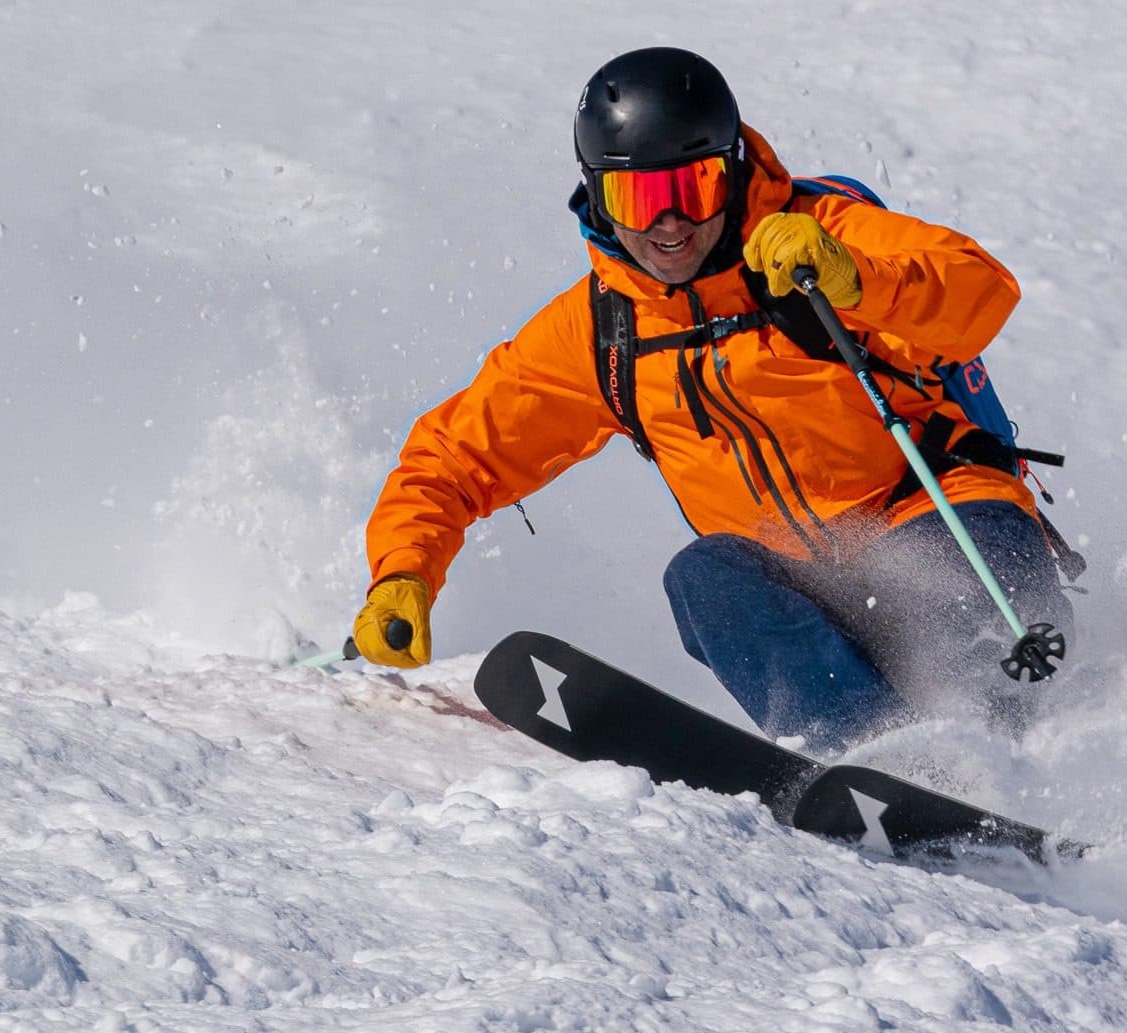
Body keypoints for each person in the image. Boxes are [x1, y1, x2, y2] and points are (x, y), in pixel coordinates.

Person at [352, 46, 1074, 749]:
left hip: (944, 519)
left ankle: (1008, 749)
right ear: (597, 194)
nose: (669, 224)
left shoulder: (816, 237)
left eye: (691, 189)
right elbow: (457, 453)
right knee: (704, 577)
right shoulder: (604, 330)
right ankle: (880, 758)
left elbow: (980, 291)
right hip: (808, 589)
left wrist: (855, 277)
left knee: (955, 622)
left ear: (728, 173)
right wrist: (404, 570)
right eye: (638, 197)